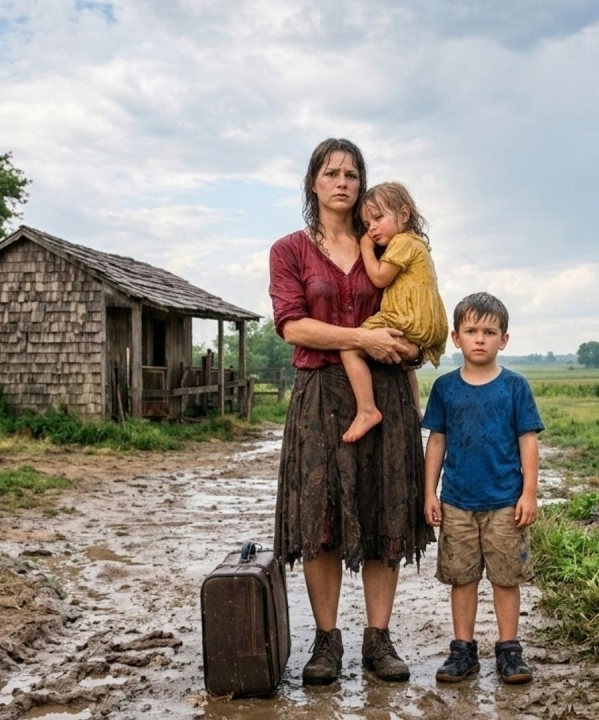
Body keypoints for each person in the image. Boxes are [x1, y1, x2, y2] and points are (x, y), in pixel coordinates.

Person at [268, 138, 433, 686]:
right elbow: (293, 326)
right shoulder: (290, 250)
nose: (342, 182)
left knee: (385, 511)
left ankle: (378, 641)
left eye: (352, 174)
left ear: (362, 185)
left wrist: (411, 351)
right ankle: (326, 642)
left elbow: (415, 311)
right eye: (331, 172)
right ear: (313, 182)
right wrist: (362, 338)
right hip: (319, 395)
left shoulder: (389, 245)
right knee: (321, 518)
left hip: (387, 392)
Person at [421, 292, 544, 685]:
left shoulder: (515, 387)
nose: (479, 339)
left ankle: (509, 651)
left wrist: (529, 493)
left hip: (505, 502)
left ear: (503, 340)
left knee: (506, 578)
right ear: (455, 337)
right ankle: (463, 651)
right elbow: (436, 441)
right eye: (471, 330)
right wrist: (429, 493)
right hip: (457, 502)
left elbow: (528, 441)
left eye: (489, 332)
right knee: (463, 578)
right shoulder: (445, 388)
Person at [340, 182, 448, 443]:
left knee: (350, 346)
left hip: (406, 318)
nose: (372, 229)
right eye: (367, 224)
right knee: (405, 366)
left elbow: (379, 278)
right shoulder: (418, 244)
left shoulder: (402, 242)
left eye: (378, 218)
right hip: (428, 323)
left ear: (404, 214)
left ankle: (367, 410)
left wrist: (366, 248)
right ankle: (416, 411)